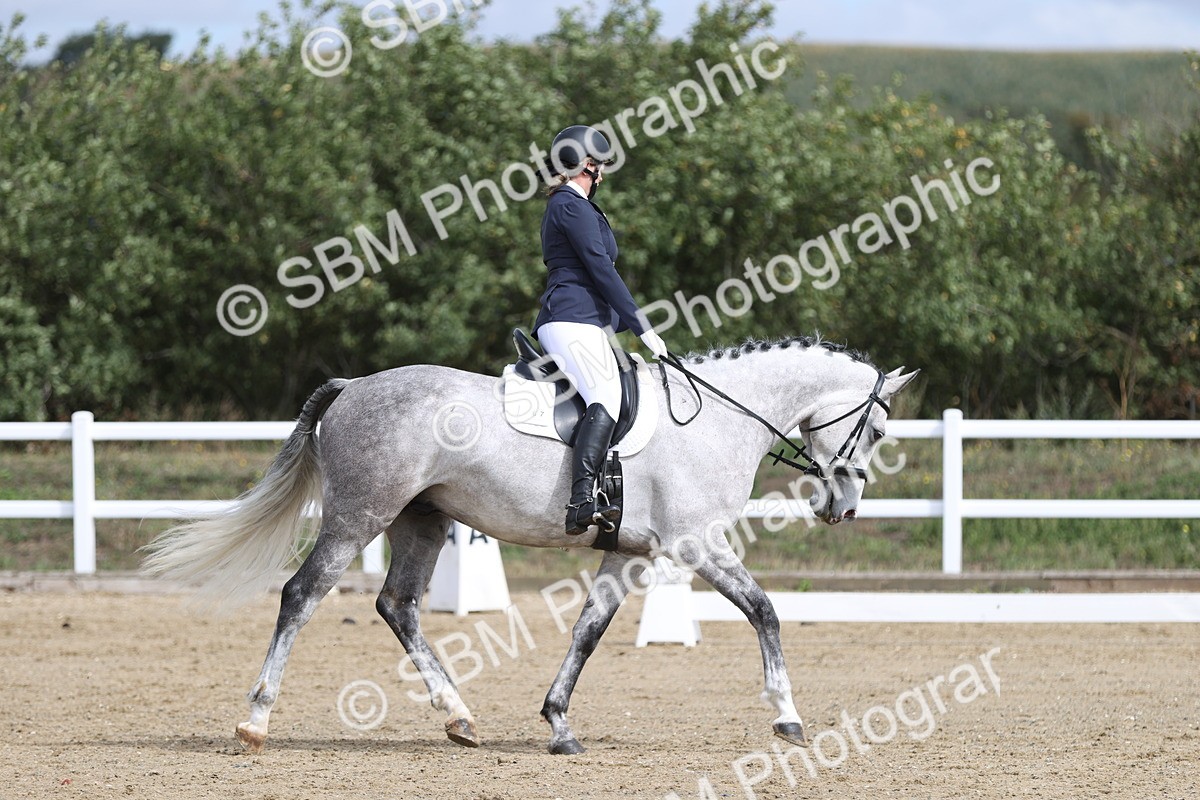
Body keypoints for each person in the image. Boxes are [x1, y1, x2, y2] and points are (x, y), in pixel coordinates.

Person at [533, 125, 669, 536]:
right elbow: (600, 269)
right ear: (585, 165)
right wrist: (641, 325)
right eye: (598, 167)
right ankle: (580, 501)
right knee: (606, 395)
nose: (602, 176)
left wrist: (627, 323)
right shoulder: (570, 206)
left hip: (587, 321)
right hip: (571, 317)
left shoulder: (576, 206)